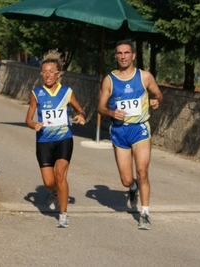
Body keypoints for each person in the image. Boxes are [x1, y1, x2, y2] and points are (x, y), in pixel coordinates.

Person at [97, 40, 163, 230]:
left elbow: (159, 94)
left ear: (133, 55)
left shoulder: (144, 76)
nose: (123, 56)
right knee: (126, 179)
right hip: (119, 131)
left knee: (142, 171)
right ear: (116, 57)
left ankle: (145, 214)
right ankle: (132, 188)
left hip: (140, 129)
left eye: (127, 53)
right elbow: (100, 107)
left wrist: (157, 101)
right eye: (120, 53)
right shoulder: (109, 80)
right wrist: (111, 113)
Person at [25, 49, 86, 228]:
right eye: (44, 72)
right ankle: (55, 191)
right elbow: (28, 119)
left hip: (63, 139)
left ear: (58, 74)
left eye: (51, 72)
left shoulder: (66, 92)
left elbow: (80, 109)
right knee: (49, 182)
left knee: (60, 175)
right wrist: (34, 124)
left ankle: (63, 214)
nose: (48, 75)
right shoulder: (37, 93)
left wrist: (81, 116)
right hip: (44, 141)